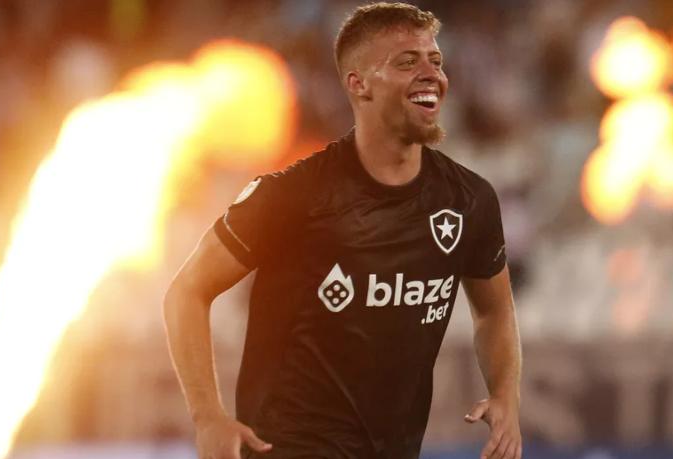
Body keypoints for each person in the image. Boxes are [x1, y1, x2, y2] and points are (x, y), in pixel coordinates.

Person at [163, 3, 522, 459]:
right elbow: (187, 292)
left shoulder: (469, 200)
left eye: (435, 60)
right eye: (407, 62)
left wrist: (506, 395)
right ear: (359, 84)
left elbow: (494, 312)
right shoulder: (292, 195)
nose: (431, 73)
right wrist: (207, 416)